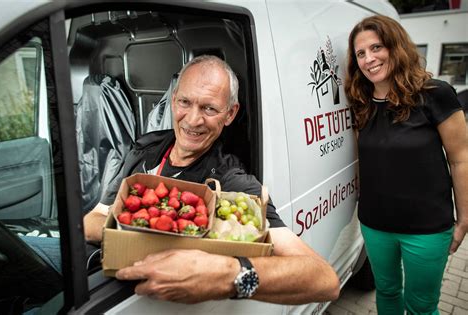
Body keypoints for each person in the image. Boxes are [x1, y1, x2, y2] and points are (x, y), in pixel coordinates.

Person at [84, 55, 340, 304]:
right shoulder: (145, 147)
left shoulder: (233, 183)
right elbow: (92, 220)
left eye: (209, 108)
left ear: (230, 114)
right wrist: (148, 237)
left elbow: (324, 278)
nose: (193, 120)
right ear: (173, 100)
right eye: (185, 102)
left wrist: (228, 276)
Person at [344, 15, 468, 315]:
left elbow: (460, 158)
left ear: (395, 47)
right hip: (375, 225)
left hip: (426, 229)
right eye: (361, 53)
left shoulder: (435, 94)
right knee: (386, 293)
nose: (369, 59)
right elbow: (364, 158)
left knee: (421, 307)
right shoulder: (360, 101)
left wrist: (464, 218)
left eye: (376, 48)